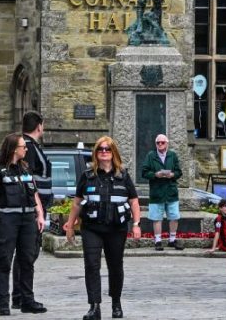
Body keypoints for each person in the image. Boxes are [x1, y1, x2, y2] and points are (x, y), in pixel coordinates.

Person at [64, 136, 141, 320]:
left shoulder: (123, 175)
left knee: (115, 266)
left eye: (107, 149)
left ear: (113, 152)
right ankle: (94, 307)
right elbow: (77, 203)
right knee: (91, 265)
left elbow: (134, 201)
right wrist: (70, 225)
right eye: (100, 149)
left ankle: (116, 303)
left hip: (116, 229)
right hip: (92, 228)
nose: (104, 152)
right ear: (95, 153)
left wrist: (136, 224)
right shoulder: (87, 176)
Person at [0, 133, 47, 316]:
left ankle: (27, 300)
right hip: (7, 220)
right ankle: (3, 303)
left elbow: (34, 193)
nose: (26, 149)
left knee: (27, 261)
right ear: (13, 149)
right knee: (4, 261)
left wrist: (40, 214)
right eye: (23, 147)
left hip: (27, 220)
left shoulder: (25, 169)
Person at [11, 111, 52, 310]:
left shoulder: (31, 147)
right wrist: (38, 209)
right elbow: (29, 180)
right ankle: (21, 296)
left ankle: (20, 295)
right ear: (39, 126)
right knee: (27, 254)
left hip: (36, 207)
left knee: (26, 254)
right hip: (33, 209)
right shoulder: (28, 149)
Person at [141, 133, 184, 250]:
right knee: (156, 217)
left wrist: (172, 175)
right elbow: (144, 172)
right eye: (158, 142)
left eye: (162, 142)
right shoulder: (151, 155)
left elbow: (179, 172)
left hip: (171, 192)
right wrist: (155, 174)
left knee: (174, 216)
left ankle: (172, 240)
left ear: (167, 144)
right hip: (157, 192)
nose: (160, 144)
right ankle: (158, 241)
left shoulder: (172, 155)